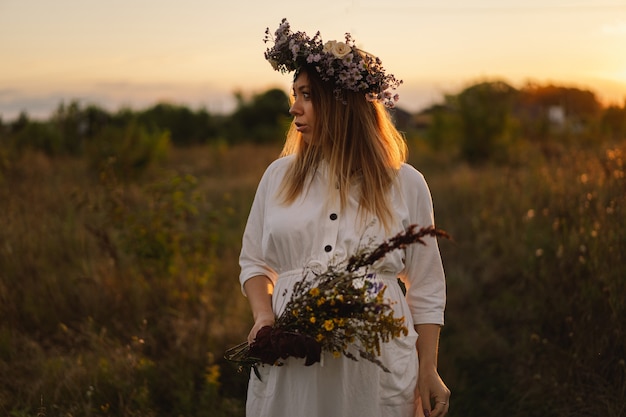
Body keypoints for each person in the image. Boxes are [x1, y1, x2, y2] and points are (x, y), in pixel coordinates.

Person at [238, 18, 450, 417]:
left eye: (307, 95)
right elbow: (253, 261)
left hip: (375, 369)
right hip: (293, 363)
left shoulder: (406, 184)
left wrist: (429, 370)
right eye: (294, 94)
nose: (293, 107)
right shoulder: (278, 176)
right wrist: (264, 316)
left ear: (342, 105)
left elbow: (426, 288)